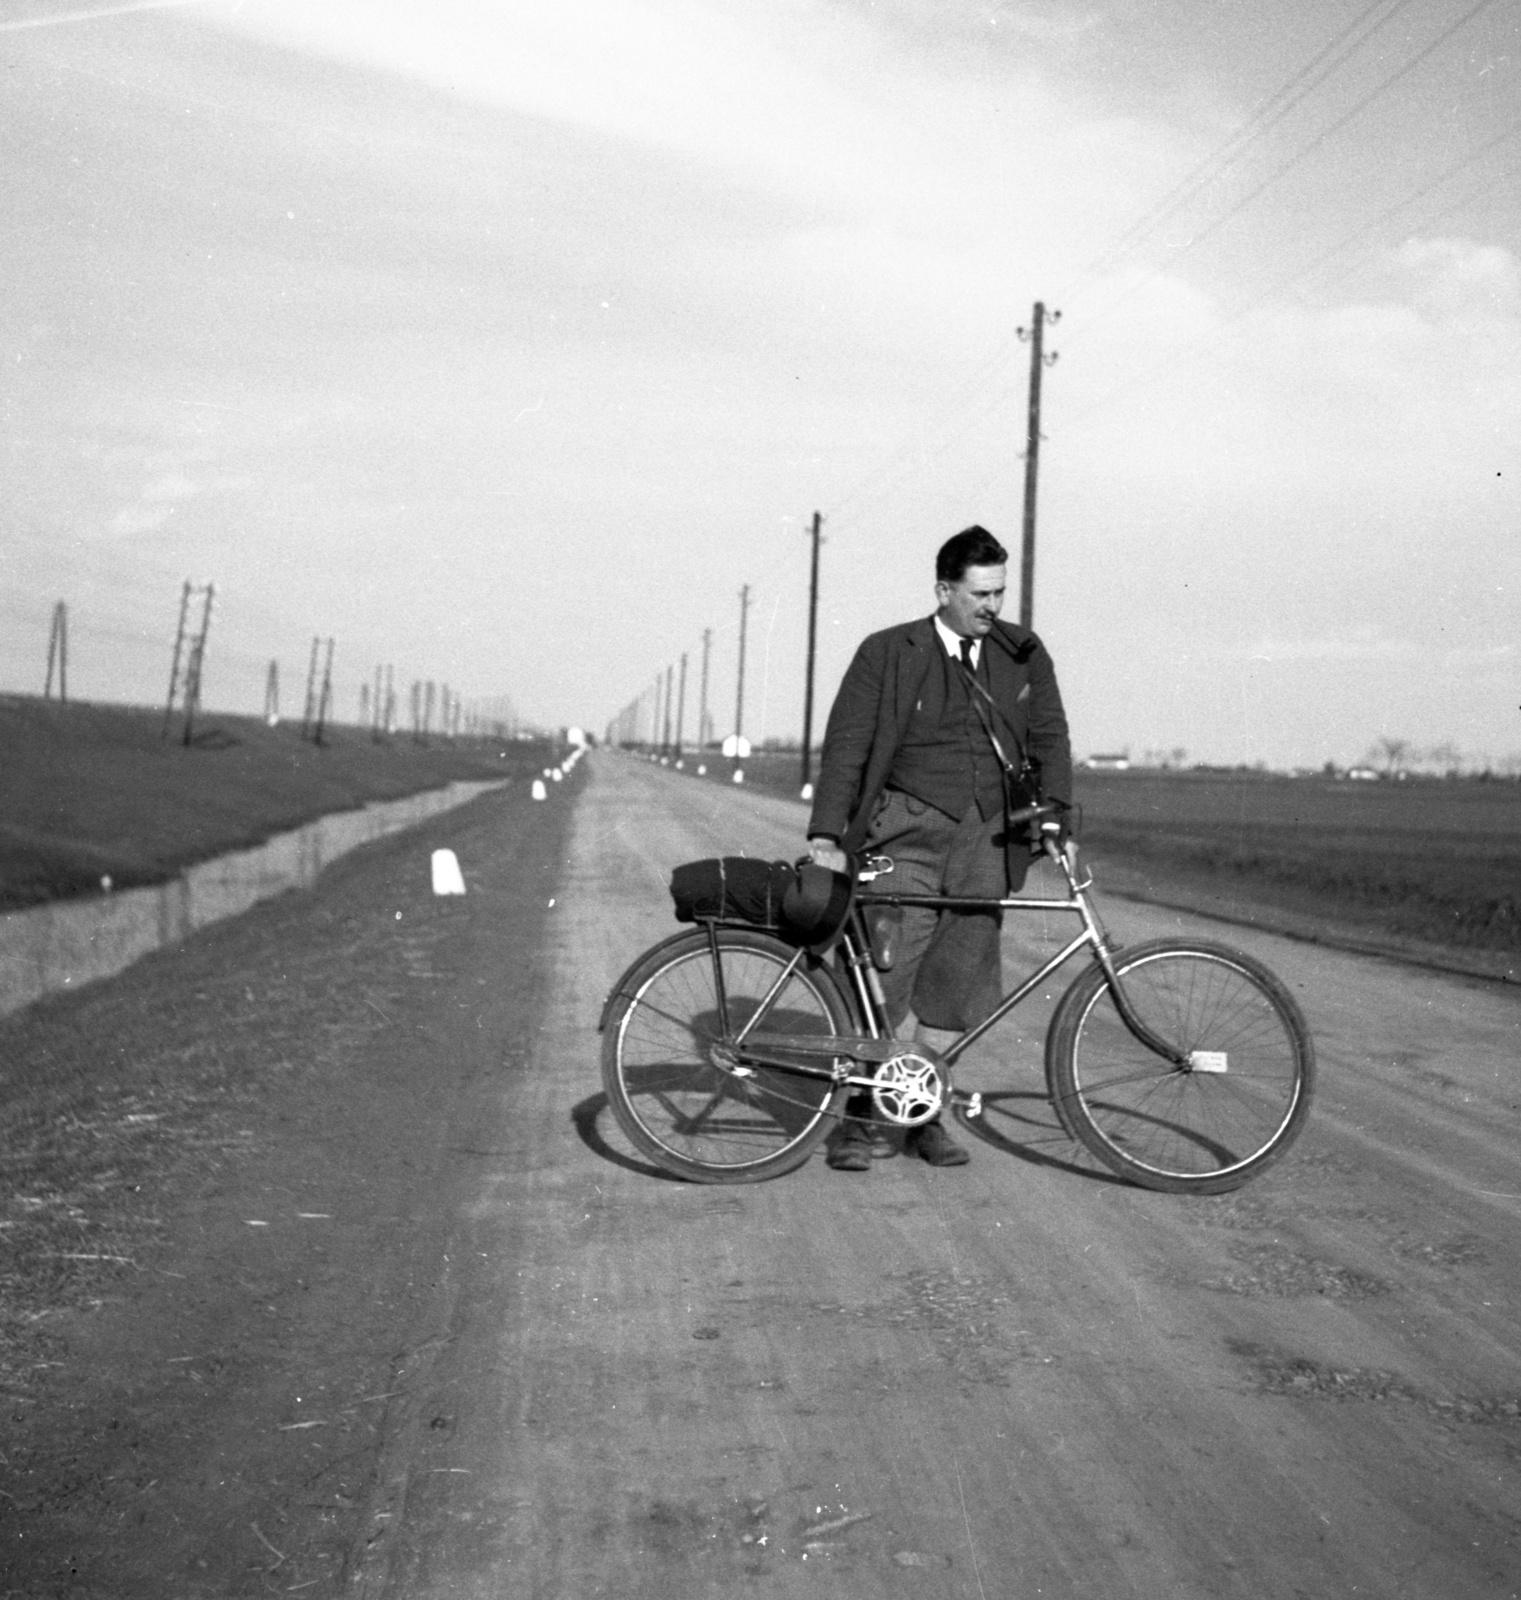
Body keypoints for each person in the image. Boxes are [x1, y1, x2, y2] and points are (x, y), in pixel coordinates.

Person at [806, 526, 1073, 1170]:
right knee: (884, 977)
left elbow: (1051, 738)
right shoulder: (888, 652)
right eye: (979, 594)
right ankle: (857, 1118)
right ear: (944, 590)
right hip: (906, 833)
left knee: (957, 982)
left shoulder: (1023, 655)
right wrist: (825, 834)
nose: (991, 606)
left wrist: (1057, 816)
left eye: (999, 593)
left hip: (988, 839)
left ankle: (922, 1112)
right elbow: (848, 745)